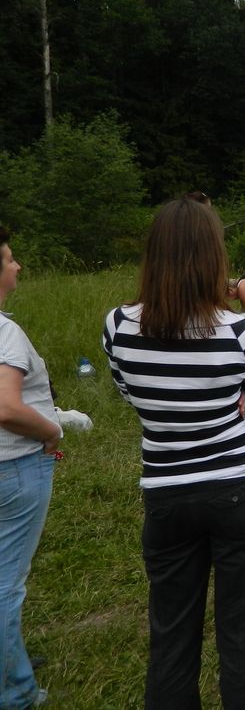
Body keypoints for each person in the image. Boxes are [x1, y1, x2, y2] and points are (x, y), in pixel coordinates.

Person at [102, 198, 245, 707]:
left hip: (166, 493)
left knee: (171, 634)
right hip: (239, 488)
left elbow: (130, 395)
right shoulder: (242, 330)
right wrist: (227, 409)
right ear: (214, 257)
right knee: (244, 634)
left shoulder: (118, 326)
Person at [0, 226, 62, 709]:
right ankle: (14, 690)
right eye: (9, 259)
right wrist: (50, 432)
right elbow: (6, 407)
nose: (17, 266)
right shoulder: (4, 333)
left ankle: (11, 652)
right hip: (16, 466)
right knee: (6, 583)